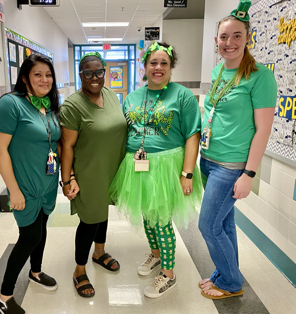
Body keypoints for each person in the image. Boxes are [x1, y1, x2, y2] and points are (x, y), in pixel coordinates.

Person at [109, 42, 203, 298]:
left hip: (166, 166)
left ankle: (169, 275)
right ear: (145, 66)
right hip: (137, 164)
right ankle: (156, 255)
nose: (158, 68)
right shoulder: (132, 97)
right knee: (148, 217)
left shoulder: (182, 96)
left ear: (171, 67)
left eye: (164, 63)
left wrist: (187, 174)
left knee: (162, 220)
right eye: (153, 63)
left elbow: (193, 135)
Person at [198, 0, 277, 300]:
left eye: (236, 36)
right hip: (209, 160)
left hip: (231, 167)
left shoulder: (259, 77)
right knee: (223, 223)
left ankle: (231, 283)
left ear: (248, 38)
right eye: (223, 37)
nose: (229, 42)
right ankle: (225, 272)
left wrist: (249, 173)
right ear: (216, 40)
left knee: (207, 225)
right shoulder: (219, 70)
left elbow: (263, 130)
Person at [0, 54, 61, 314]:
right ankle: (4, 294)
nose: (45, 79)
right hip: (25, 186)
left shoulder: (49, 105)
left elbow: (54, 142)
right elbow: (0, 150)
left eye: (48, 75)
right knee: (29, 236)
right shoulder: (10, 104)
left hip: (47, 184)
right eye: (38, 74)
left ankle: (36, 271)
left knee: (41, 230)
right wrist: (14, 190)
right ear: (24, 78)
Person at [59, 52, 127, 298]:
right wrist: (68, 180)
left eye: (99, 72)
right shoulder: (73, 105)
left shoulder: (110, 95)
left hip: (110, 169)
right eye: (88, 73)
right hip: (88, 172)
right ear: (81, 75)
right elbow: (66, 146)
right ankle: (79, 270)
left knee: (102, 212)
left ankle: (99, 252)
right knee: (89, 220)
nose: (95, 77)